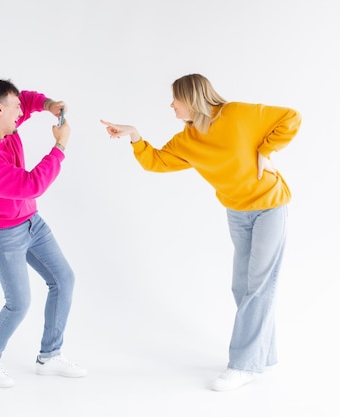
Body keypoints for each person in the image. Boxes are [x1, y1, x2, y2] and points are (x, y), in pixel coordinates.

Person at [101, 73, 301, 392]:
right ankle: (266, 356)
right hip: (237, 211)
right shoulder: (187, 141)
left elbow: (290, 117)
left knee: (259, 286)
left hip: (270, 206)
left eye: (175, 99)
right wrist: (135, 136)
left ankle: (242, 365)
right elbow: (156, 162)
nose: (171, 105)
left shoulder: (236, 113)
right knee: (242, 287)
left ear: (191, 98)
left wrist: (266, 150)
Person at [0, 78, 87, 388]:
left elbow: (27, 100)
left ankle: (49, 356)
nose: (21, 113)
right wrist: (60, 146)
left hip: (32, 222)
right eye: (15, 108)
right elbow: (32, 185)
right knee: (18, 303)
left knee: (64, 279)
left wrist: (47, 105)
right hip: (3, 233)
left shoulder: (3, 123)